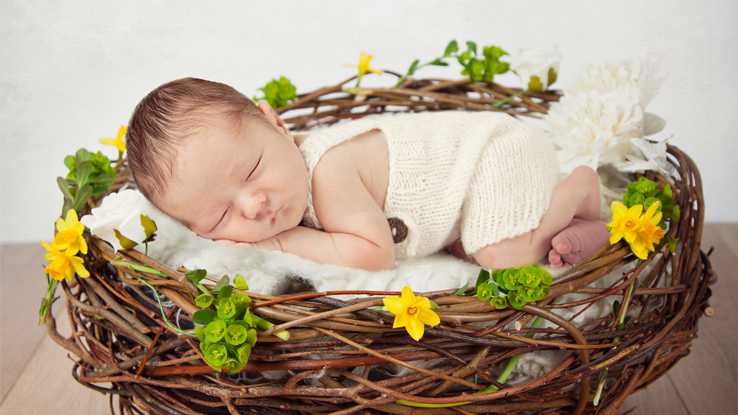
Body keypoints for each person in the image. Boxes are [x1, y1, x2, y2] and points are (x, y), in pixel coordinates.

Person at [126, 77, 609, 272]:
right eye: (220, 216)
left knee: (499, 255)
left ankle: (576, 191)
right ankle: (582, 229)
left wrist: (275, 245)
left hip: (494, 152)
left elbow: (373, 256)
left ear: (276, 123)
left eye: (253, 170)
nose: (254, 205)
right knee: (467, 246)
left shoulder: (327, 173)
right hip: (461, 199)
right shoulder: (283, 189)